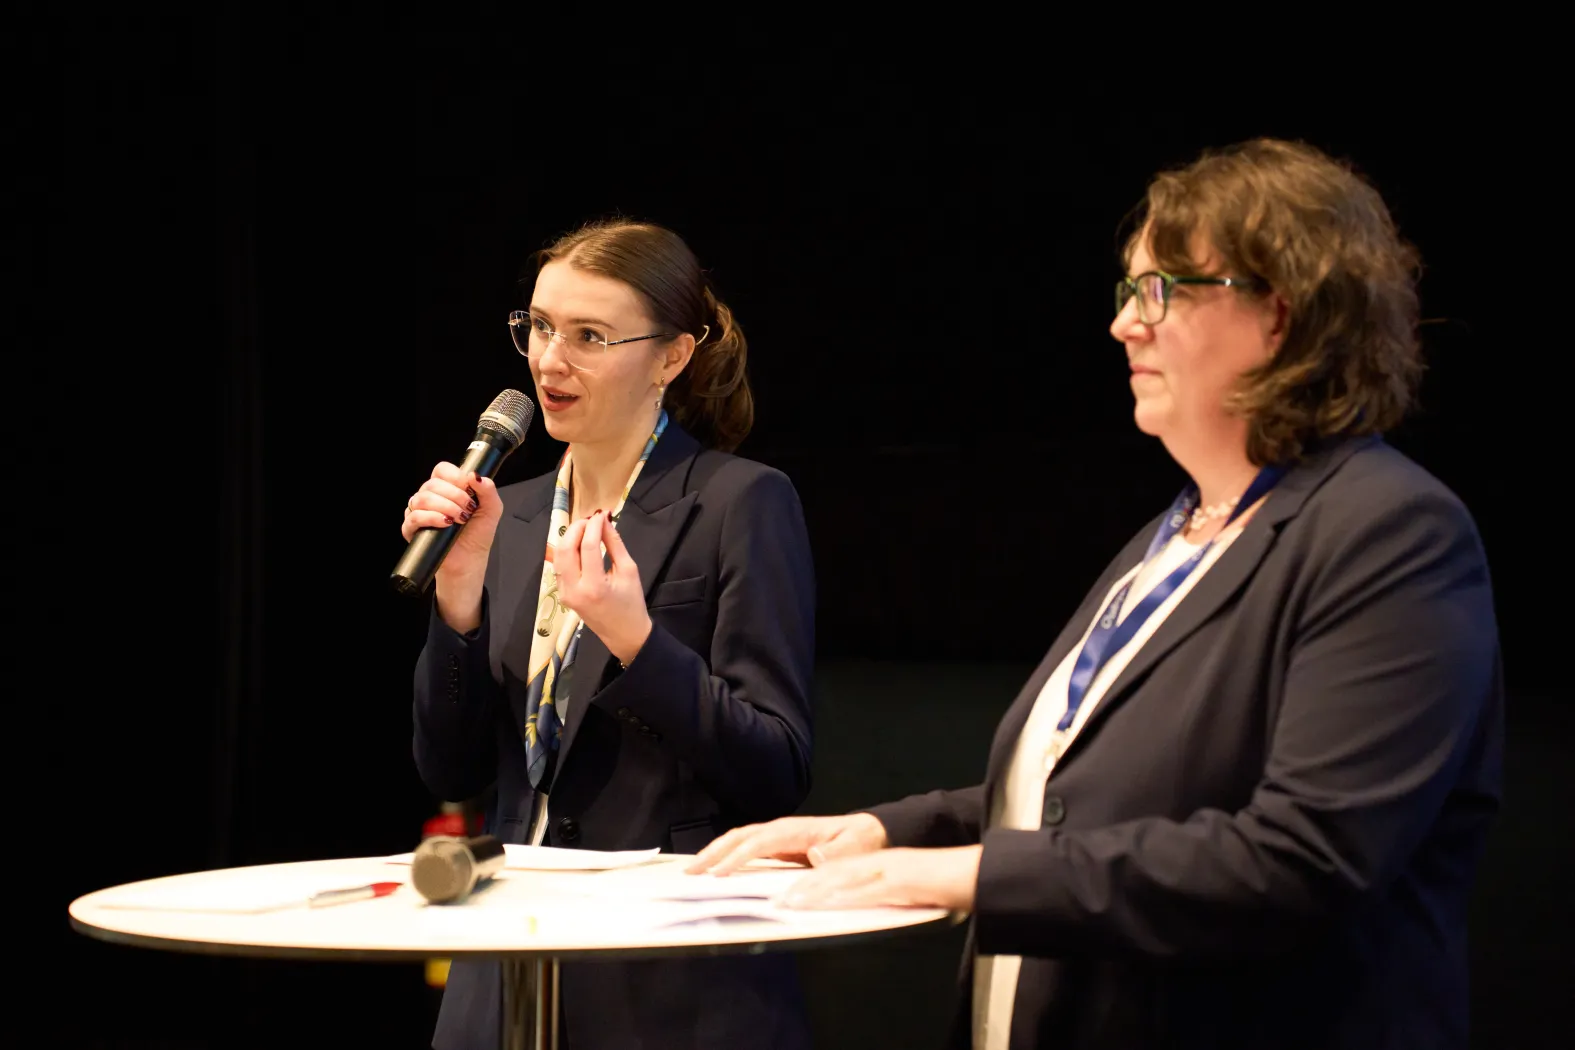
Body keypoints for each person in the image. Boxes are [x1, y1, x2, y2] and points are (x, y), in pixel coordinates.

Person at [691, 138, 1504, 1050]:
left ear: (1281, 312)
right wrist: (886, 831)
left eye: (1160, 290)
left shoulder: (1388, 531)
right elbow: (1086, 797)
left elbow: (1304, 858)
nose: (1124, 324)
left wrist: (965, 876)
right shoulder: (1176, 532)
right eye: (1128, 291)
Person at [404, 219, 816, 1050]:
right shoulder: (508, 515)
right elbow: (451, 771)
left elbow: (775, 770)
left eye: (589, 336)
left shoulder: (739, 503)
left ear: (672, 357)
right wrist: (458, 605)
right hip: (505, 969)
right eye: (539, 326)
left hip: (669, 980)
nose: (549, 361)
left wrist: (639, 645)